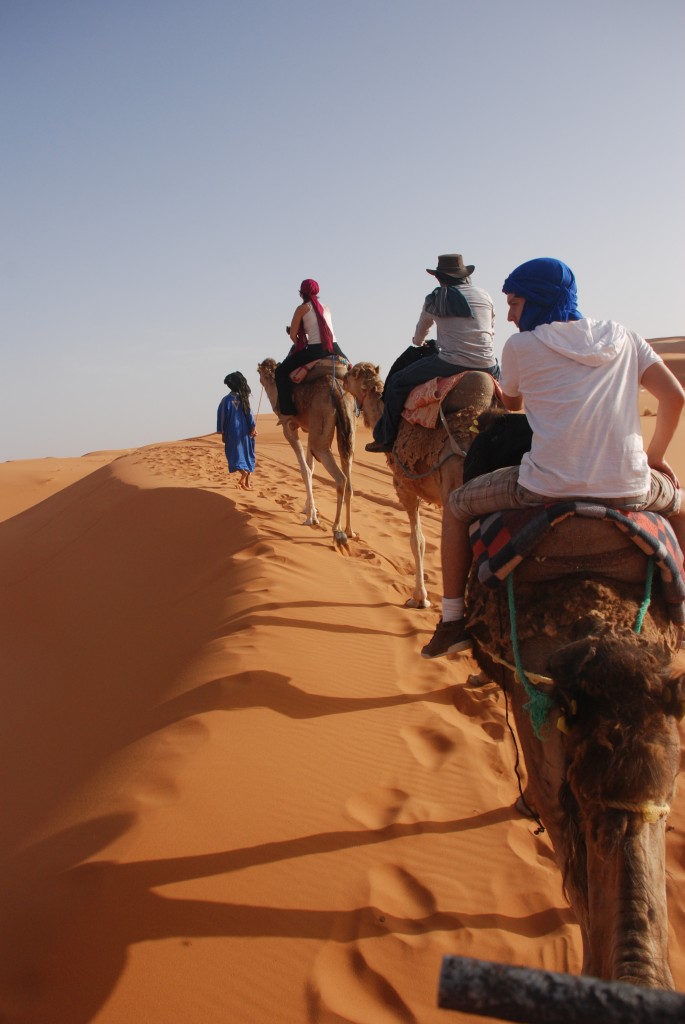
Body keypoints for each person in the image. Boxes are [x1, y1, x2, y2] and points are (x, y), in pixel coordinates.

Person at [421, 256, 685, 659]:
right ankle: (681, 613)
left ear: (539, 300)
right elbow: (675, 397)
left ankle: (452, 621)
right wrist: (655, 456)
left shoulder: (522, 346)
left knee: (456, 506)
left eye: (515, 303)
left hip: (543, 488)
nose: (509, 316)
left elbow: (511, 403)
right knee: (680, 508)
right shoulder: (624, 336)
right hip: (631, 488)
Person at [365, 254, 499, 453]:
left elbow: (420, 336)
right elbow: (491, 329)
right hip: (488, 364)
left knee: (396, 383)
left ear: (439, 277)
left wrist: (419, 342)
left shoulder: (435, 299)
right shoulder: (484, 295)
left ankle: (386, 438)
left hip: (451, 362)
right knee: (506, 395)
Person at [275, 279, 349, 417]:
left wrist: (299, 346)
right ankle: (359, 403)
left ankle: (287, 410)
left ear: (301, 293)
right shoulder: (326, 308)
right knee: (351, 369)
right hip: (334, 347)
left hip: (316, 349)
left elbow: (293, 334)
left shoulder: (302, 308)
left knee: (280, 372)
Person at [217, 371, 257, 489]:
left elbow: (222, 417)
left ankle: (243, 473)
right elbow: (250, 415)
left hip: (232, 432)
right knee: (247, 454)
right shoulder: (244, 399)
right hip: (246, 432)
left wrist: (222, 432)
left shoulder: (226, 400)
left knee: (234, 455)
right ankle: (247, 483)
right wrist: (253, 427)